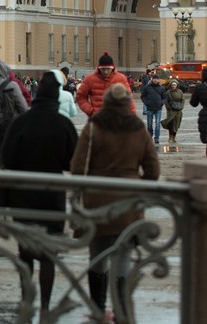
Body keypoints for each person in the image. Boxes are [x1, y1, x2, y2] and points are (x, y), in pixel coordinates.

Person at [70, 83, 160, 323]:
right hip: (129, 202)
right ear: (127, 102)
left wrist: (80, 191)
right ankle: (121, 310)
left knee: (97, 256)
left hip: (97, 200)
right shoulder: (139, 128)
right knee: (123, 256)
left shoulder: (94, 127)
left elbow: (78, 166)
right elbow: (153, 169)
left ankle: (98, 309)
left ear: (107, 103)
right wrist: (138, 183)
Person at [0, 71, 78, 317]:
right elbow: (72, 162)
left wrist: (2, 200)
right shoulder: (63, 124)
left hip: (22, 195)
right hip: (52, 195)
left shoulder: (20, 123)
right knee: (48, 254)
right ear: (56, 96)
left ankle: (26, 299)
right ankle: (44, 304)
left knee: (25, 252)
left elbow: (6, 160)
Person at [76, 52, 133, 118]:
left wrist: (131, 119)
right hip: (97, 120)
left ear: (112, 68)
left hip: (117, 120)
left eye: (108, 69)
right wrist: (90, 111)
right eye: (103, 69)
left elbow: (129, 99)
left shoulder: (121, 78)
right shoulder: (90, 79)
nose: (105, 72)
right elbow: (80, 97)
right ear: (99, 68)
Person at [141, 74, 167, 144]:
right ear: (152, 79)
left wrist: (162, 103)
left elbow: (165, 97)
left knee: (157, 124)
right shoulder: (147, 87)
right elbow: (143, 96)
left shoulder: (161, 88)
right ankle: (149, 137)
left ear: (158, 80)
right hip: (150, 108)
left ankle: (157, 137)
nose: (155, 80)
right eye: (154, 79)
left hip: (158, 108)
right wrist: (146, 103)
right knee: (149, 124)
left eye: (157, 79)